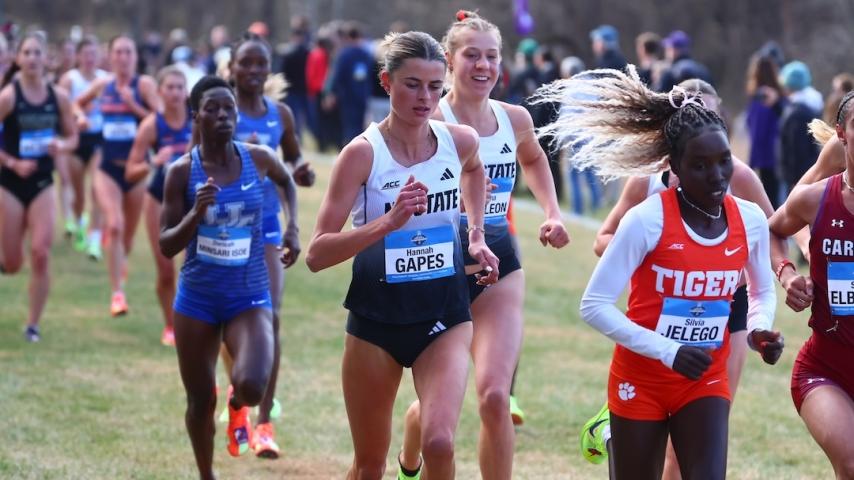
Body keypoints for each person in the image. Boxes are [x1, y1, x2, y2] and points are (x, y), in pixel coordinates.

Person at [537, 66, 783, 480]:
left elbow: (760, 290)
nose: (717, 176)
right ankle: (611, 431)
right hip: (643, 377)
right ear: (674, 167)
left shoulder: (751, 219)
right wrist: (668, 351)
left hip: (704, 376)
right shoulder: (646, 220)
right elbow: (593, 305)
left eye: (724, 161)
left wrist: (759, 328)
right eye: (700, 165)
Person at [305, 30, 499, 479]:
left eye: (434, 86)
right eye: (412, 84)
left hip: (444, 312)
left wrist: (475, 234)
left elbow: (474, 171)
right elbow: (316, 254)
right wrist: (387, 223)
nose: (425, 97)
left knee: (440, 442)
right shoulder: (361, 154)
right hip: (376, 320)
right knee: (369, 466)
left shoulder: (459, 141)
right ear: (386, 82)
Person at [396, 12, 569, 480]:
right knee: (437, 411)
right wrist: (454, 195)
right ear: (449, 60)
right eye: (471, 55)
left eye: (491, 56)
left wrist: (552, 212)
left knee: (495, 396)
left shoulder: (514, 119)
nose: (483, 65)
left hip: (498, 264)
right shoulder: (431, 119)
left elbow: (534, 158)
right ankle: (410, 453)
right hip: (439, 269)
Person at [159, 75, 296, 480]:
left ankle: (239, 406)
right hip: (198, 300)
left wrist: (292, 228)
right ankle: (207, 474)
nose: (223, 115)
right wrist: (195, 213)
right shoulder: (181, 173)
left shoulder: (259, 158)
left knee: (252, 384)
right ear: (196, 116)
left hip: (248, 293)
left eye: (229, 108)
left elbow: (286, 180)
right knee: (199, 401)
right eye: (212, 108)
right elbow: (166, 244)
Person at [221, 31, 309, 457]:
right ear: (232, 68)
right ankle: (238, 395)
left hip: (268, 226)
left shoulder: (280, 114)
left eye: (261, 63)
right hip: (224, 230)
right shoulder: (219, 110)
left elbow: (293, 158)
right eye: (246, 63)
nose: (254, 71)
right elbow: (196, 163)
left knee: (270, 317)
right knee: (227, 322)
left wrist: (301, 169)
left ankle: (264, 423)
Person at [769, 90, 854, 479]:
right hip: (826, 370)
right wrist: (788, 274)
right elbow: (773, 232)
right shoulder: (815, 198)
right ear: (841, 134)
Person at [0, 31, 78, 341]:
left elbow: (72, 137)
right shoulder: (8, 97)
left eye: (37, 53)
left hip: (43, 182)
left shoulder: (58, 97)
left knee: (41, 253)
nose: (32, 58)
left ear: (46, 58)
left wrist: (61, 145)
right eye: (27, 53)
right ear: (18, 59)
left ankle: (33, 325)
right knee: (13, 263)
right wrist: (12, 163)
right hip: (10, 183)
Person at [75, 35, 160, 316]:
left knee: (127, 240)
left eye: (128, 52)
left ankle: (119, 263)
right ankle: (117, 294)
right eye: (118, 52)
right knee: (114, 225)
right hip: (107, 167)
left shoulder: (144, 85)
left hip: (136, 170)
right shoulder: (103, 85)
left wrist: (133, 105)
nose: (123, 57)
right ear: (110, 56)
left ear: (135, 56)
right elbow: (76, 103)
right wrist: (81, 117)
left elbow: (163, 121)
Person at [125, 66, 192, 347]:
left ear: (186, 92)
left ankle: (193, 324)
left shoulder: (198, 121)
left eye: (180, 87)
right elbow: (131, 171)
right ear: (160, 92)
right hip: (159, 201)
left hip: (193, 203)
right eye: (170, 87)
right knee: (166, 270)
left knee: (194, 268)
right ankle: (171, 326)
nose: (175, 93)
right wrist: (153, 162)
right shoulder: (152, 125)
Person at [57, 36, 108, 255]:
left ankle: (95, 238)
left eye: (93, 54)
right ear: (78, 56)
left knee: (97, 188)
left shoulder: (105, 79)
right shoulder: (70, 79)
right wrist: (77, 115)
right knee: (78, 193)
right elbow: (58, 110)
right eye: (85, 54)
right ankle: (79, 221)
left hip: (99, 139)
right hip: (77, 141)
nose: (90, 58)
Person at [778, 60, 823, 196]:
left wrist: (795, 180)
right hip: (808, 173)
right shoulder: (811, 105)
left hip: (797, 178)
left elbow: (796, 150)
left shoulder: (796, 113)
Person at [745, 54, 785, 208]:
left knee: (769, 198)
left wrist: (752, 159)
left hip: (766, 154)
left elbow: (757, 131)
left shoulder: (759, 97)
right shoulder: (779, 96)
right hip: (779, 153)